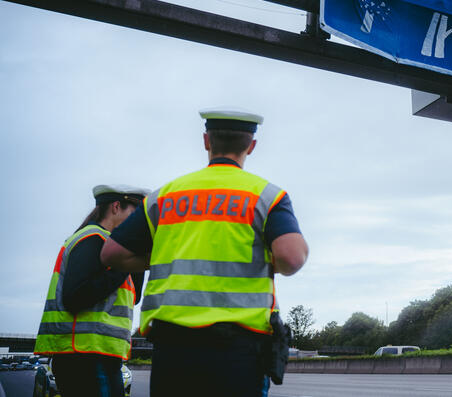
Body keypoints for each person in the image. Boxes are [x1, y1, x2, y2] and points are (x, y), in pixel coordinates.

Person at [101, 107, 309, 397]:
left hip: (173, 348)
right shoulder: (266, 195)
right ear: (251, 146)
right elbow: (292, 258)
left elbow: (111, 254)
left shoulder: (165, 195)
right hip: (238, 350)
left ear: (206, 141)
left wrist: (163, 256)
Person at [34, 184, 149, 397]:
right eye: (135, 213)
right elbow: (75, 296)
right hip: (85, 356)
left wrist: (134, 255)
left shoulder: (111, 245)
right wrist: (122, 265)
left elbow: (134, 298)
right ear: (116, 207)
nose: (138, 221)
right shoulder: (92, 238)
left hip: (99, 354)